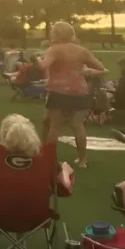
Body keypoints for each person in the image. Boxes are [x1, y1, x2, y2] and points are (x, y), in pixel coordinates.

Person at [0, 115, 74, 228]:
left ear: (4, 135)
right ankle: (21, 243)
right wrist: (65, 171)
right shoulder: (46, 160)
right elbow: (64, 189)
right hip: (36, 217)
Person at [40, 21, 105, 168]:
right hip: (79, 91)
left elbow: (44, 65)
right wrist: (89, 72)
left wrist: (37, 61)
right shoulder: (82, 50)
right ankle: (82, 160)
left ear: (56, 33)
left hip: (58, 91)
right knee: (78, 125)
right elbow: (101, 68)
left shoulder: (54, 49)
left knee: (55, 126)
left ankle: (49, 159)